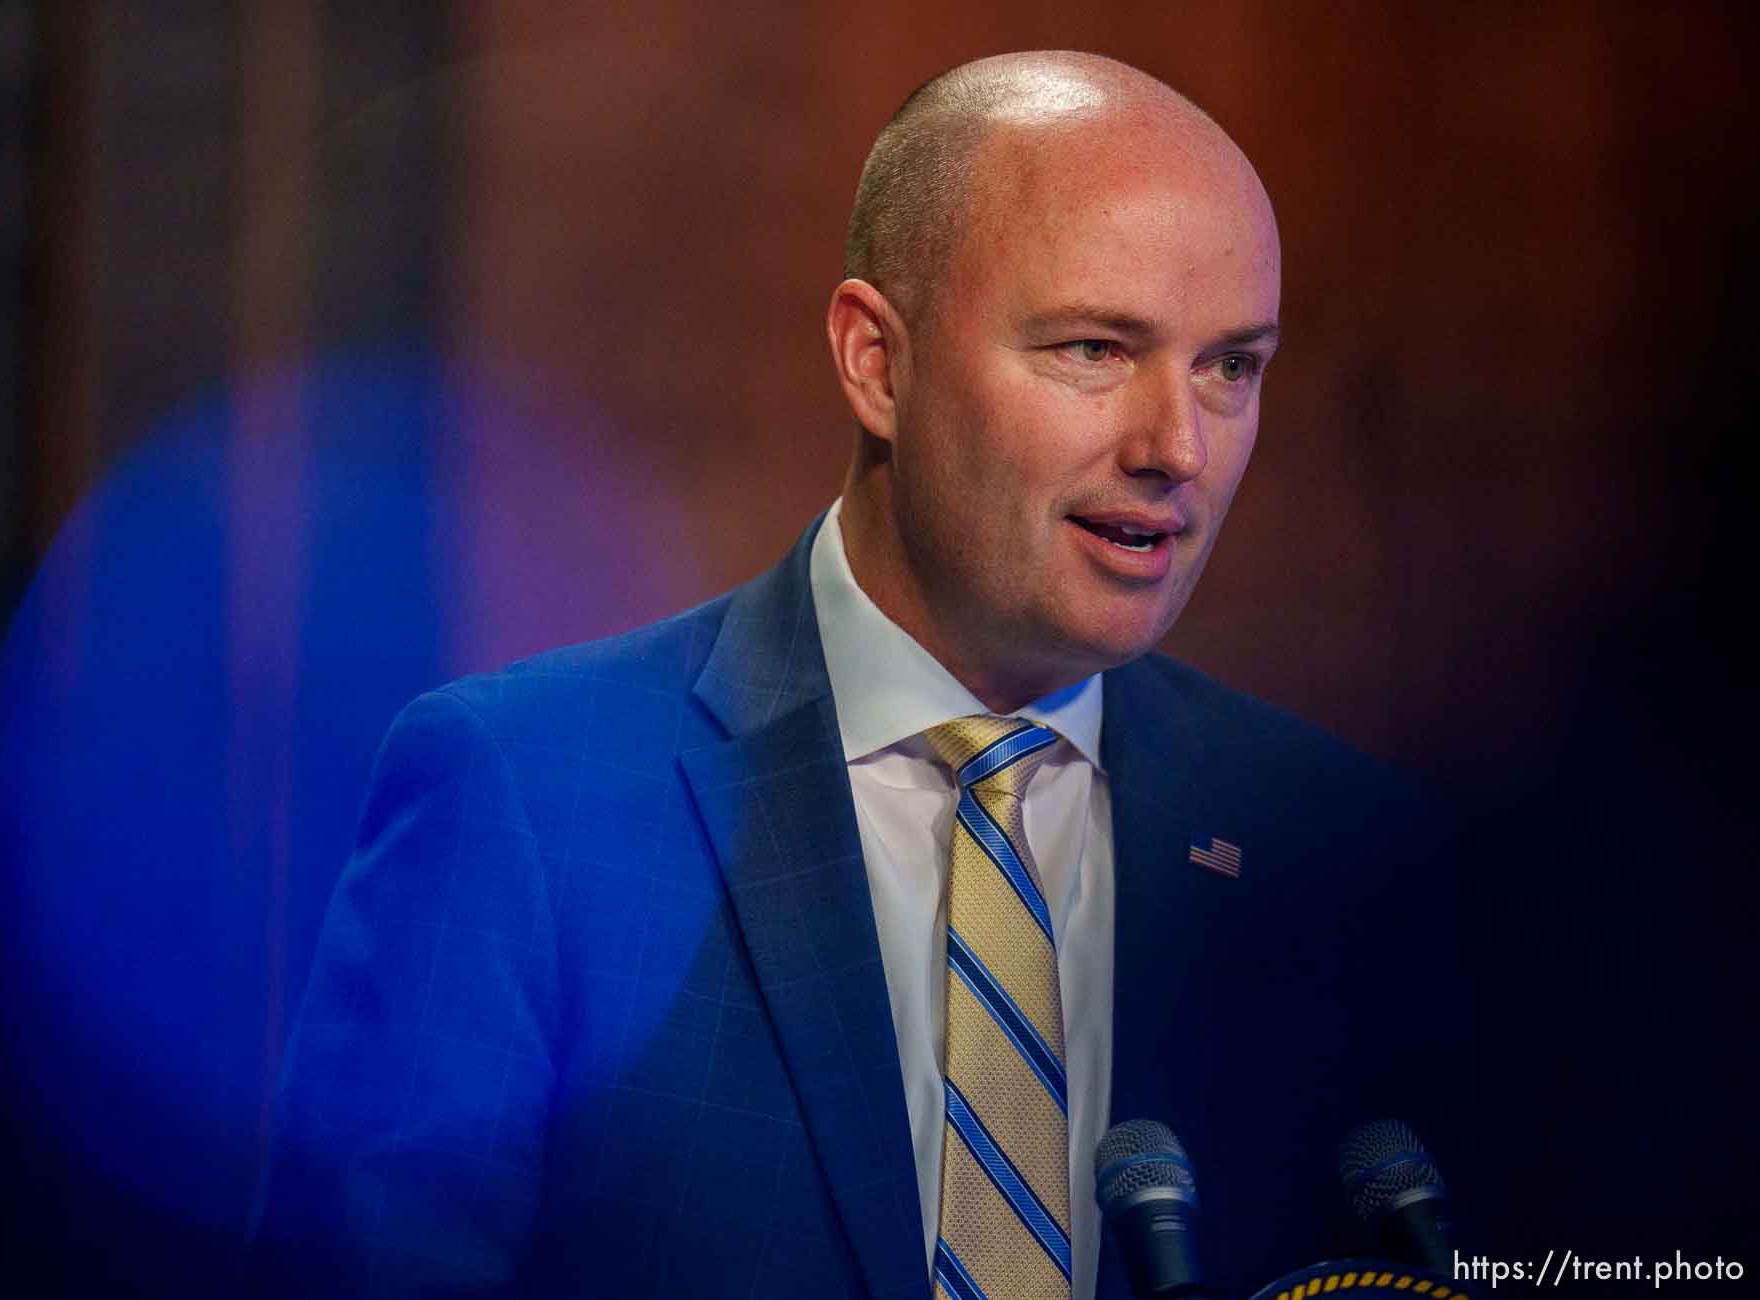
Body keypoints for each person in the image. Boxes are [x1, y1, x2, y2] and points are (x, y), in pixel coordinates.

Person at [251, 51, 1452, 1300]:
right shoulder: (529, 802)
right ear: (877, 361)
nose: (1177, 447)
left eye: (1231, 366)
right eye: (1097, 349)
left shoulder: (1336, 846)